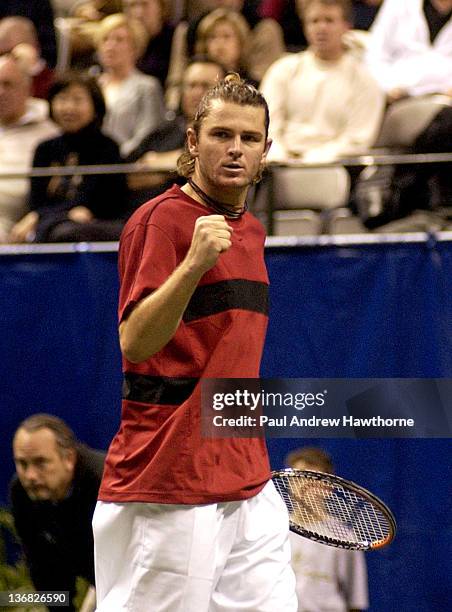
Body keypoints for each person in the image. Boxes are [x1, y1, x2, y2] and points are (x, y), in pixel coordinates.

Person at [93, 73, 298, 611]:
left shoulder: (249, 229)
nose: (234, 149)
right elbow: (135, 341)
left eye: (248, 139)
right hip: (168, 479)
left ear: (265, 151)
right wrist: (192, 265)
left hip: (246, 479)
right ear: (192, 141)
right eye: (220, 134)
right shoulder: (159, 222)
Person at [260, 0, 385, 164]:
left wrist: (315, 159)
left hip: (332, 166)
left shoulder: (365, 80)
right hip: (279, 161)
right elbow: (268, 122)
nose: (321, 28)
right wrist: (278, 153)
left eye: (329, 20)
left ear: (346, 26)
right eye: (314, 21)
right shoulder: (283, 69)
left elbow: (358, 138)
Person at [10, 74, 128, 243]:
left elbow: (102, 202)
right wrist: (61, 214)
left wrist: (43, 216)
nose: (68, 108)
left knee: (64, 233)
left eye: (78, 100)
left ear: (95, 106)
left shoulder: (108, 147)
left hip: (94, 226)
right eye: (62, 99)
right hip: (49, 224)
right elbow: (36, 202)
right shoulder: (44, 149)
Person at [10, 413, 106, 612]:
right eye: (22, 464)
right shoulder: (21, 493)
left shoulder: (106, 485)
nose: (30, 476)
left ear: (69, 458)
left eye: (40, 462)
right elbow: (43, 569)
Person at [126, 56, 225, 210]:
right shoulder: (164, 131)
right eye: (191, 86)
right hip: (145, 212)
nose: (197, 93)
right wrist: (178, 167)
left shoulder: (227, 133)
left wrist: (162, 164)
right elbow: (132, 178)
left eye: (205, 86)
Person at [287, 447, 369, 612]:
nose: (303, 485)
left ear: (328, 487)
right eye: (298, 477)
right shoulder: (273, 531)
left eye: (312, 478)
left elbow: (355, 600)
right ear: (288, 483)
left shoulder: (344, 537)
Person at [0, 54, 59, 243]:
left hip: (14, 225)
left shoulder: (50, 130)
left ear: (28, 89)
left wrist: (38, 215)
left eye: (8, 84)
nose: (0, 92)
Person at [95, 12, 165, 157]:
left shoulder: (147, 86)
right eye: (105, 39)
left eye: (119, 40)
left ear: (135, 47)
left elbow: (147, 133)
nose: (110, 45)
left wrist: (115, 157)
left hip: (126, 163)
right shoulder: (93, 84)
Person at [366, 0, 452, 101]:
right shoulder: (399, 3)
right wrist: (388, 87)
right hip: (398, 94)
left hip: (445, 98)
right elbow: (375, 55)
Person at [123, 0, 175, 87]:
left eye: (145, 4)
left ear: (160, 7)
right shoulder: (122, 40)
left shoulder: (175, 36)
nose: (138, 13)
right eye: (132, 5)